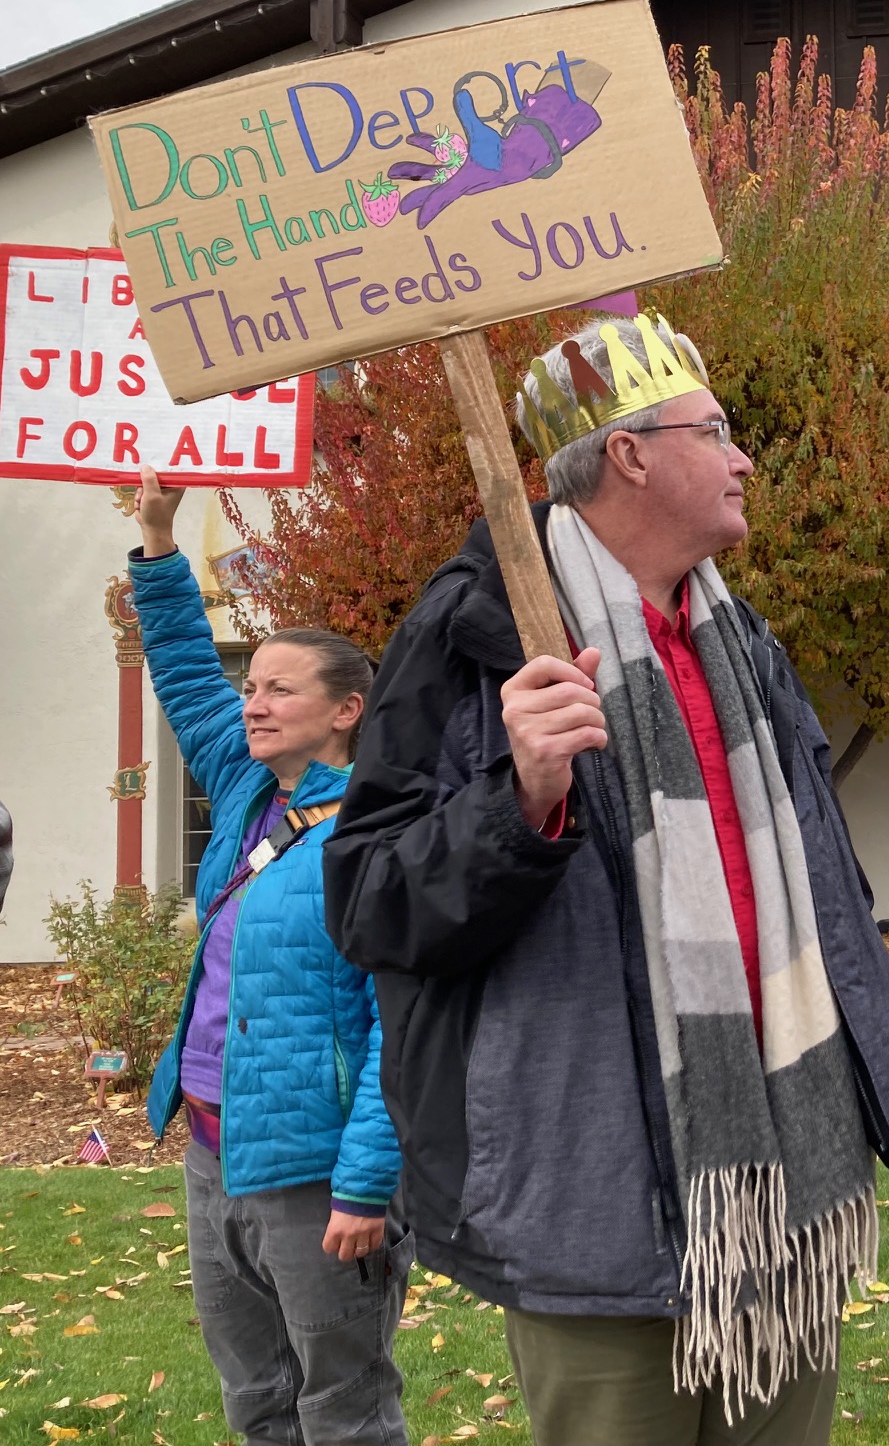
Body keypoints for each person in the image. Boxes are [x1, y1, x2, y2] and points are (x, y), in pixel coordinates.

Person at [324, 316, 889, 1444]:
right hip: (595, 1191)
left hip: (788, 1189)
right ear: (633, 453)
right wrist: (521, 800)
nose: (745, 458)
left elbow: (825, 887)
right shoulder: (473, 640)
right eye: (719, 431)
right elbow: (371, 902)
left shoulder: (745, 646)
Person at [128, 469, 405, 1444]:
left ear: (347, 711)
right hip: (215, 1150)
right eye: (253, 686)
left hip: (315, 1174)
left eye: (279, 690)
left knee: (343, 1403)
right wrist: (159, 537)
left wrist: (366, 1182)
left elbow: (396, 1026)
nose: (253, 704)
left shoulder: (378, 837)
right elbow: (181, 663)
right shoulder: (246, 789)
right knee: (254, 1394)